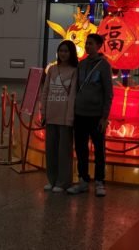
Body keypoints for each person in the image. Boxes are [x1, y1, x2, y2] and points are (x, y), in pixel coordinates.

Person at [67, 33, 113, 197]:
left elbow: (108, 93)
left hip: (96, 115)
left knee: (99, 149)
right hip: (80, 113)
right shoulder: (81, 64)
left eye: (91, 44)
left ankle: (100, 181)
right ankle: (83, 180)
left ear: (99, 46)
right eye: (86, 43)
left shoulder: (104, 66)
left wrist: (104, 117)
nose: (87, 46)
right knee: (81, 149)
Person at [40, 40, 79, 193]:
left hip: (64, 117)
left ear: (71, 53)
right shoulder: (52, 70)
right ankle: (52, 179)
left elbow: (73, 96)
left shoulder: (74, 70)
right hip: (51, 115)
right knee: (50, 150)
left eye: (66, 51)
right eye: (61, 51)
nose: (63, 54)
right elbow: (45, 92)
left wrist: (69, 117)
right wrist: (43, 112)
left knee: (64, 151)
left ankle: (63, 182)